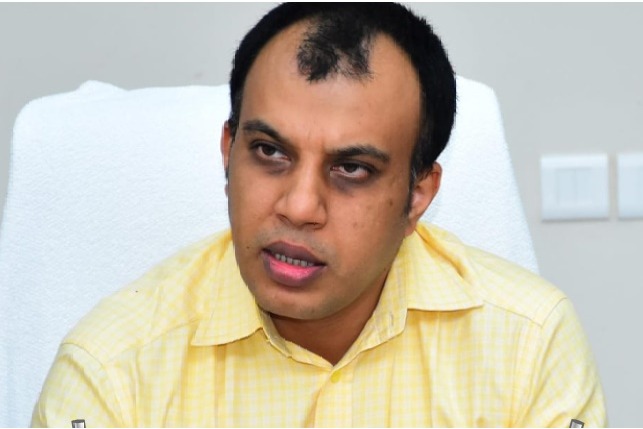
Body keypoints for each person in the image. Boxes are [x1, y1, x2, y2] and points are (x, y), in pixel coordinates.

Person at [32, 3, 606, 427]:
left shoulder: (529, 344)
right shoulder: (112, 372)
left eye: (351, 168)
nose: (299, 206)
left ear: (417, 195)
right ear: (228, 152)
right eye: (269, 152)